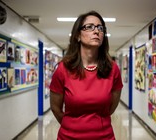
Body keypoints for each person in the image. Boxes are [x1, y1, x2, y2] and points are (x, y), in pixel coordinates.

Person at [49, 10, 123, 140]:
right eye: (89, 27)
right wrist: (73, 127)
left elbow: (111, 108)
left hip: (104, 137)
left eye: (100, 28)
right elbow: (56, 108)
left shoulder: (112, 69)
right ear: (78, 35)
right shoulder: (63, 69)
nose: (96, 31)